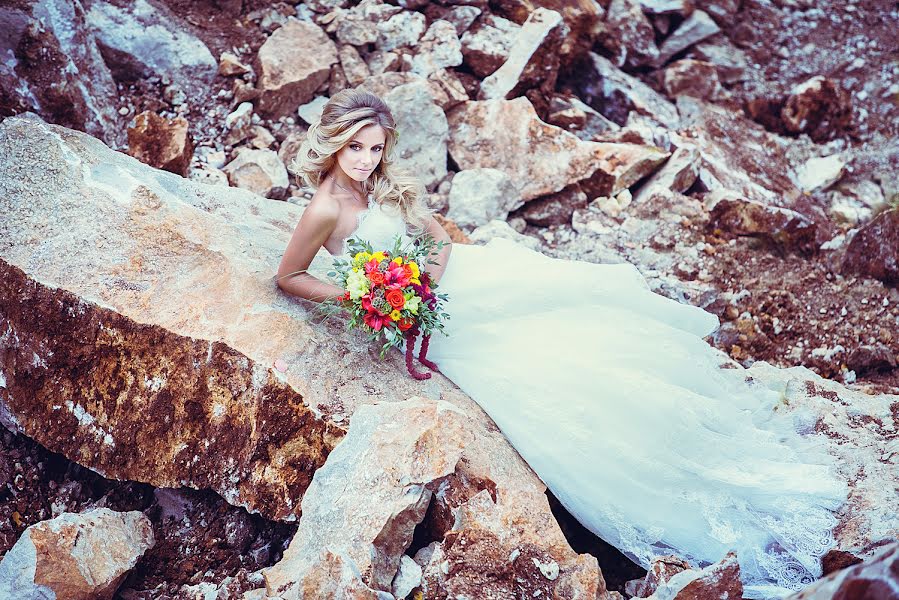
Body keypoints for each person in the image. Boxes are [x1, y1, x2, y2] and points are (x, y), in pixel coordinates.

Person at [277, 89, 847, 599]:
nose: (366, 161)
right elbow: (290, 277)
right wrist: (361, 297)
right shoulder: (325, 209)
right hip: (426, 316)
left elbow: (436, 239)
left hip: (457, 285)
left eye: (376, 149)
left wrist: (425, 278)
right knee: (544, 377)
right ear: (332, 144)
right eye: (356, 148)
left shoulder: (381, 186)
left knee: (574, 315)